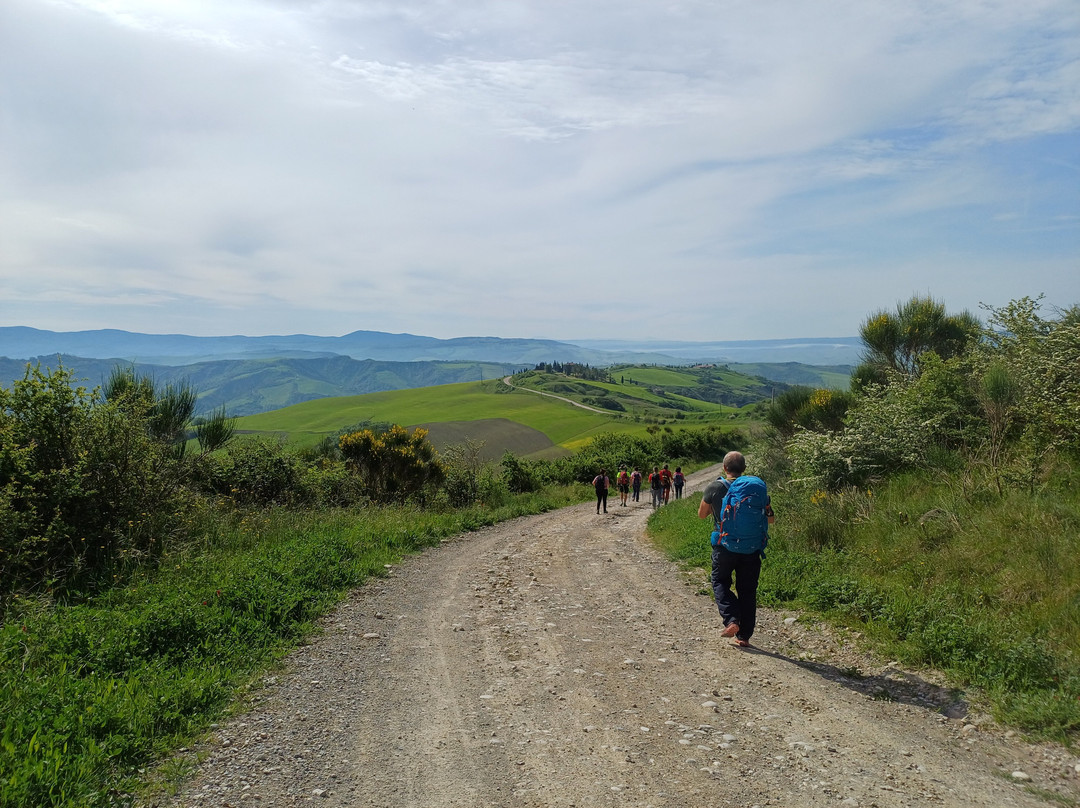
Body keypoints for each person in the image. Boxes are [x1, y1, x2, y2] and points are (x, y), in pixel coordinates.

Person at [697, 451, 775, 648]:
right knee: (747, 590)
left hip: (724, 546)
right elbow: (771, 519)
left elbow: (701, 515)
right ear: (744, 469)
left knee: (720, 581)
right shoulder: (756, 490)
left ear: (725, 468)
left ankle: (731, 619)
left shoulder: (715, 486)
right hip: (751, 547)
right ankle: (744, 636)